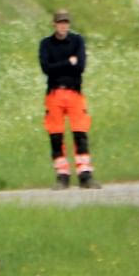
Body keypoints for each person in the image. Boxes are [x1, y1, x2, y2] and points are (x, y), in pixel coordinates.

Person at [39, 9, 95, 188]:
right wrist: (67, 62)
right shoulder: (46, 44)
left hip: (74, 93)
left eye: (66, 23)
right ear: (54, 24)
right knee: (56, 136)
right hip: (54, 94)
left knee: (80, 133)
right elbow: (46, 68)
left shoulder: (77, 41)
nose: (63, 26)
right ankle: (62, 175)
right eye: (60, 22)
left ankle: (85, 175)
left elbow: (80, 67)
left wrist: (62, 66)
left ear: (68, 24)